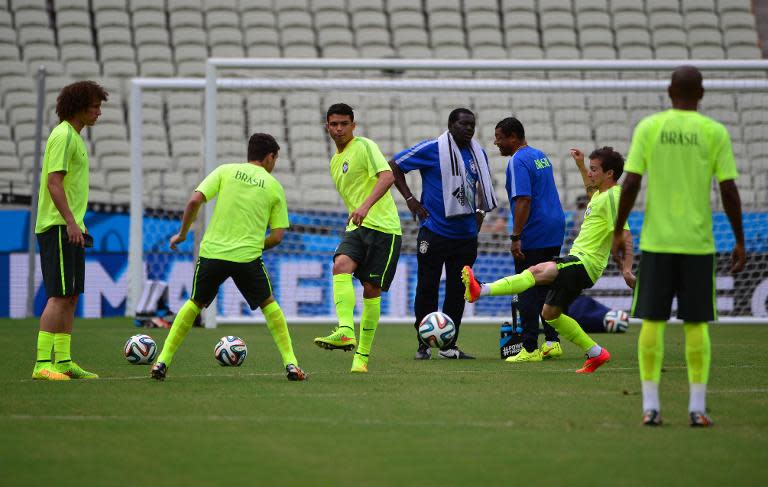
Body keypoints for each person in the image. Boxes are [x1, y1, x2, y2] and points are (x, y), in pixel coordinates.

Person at [611, 66, 746, 427]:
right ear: (702, 93)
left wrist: (616, 230)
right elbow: (729, 190)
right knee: (696, 323)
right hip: (698, 245)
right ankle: (696, 408)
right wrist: (739, 239)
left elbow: (630, 185)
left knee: (652, 322)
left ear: (669, 91)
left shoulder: (650, 127)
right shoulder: (714, 132)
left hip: (657, 243)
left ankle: (651, 406)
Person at [462, 147, 635, 373]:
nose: (590, 174)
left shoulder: (614, 196)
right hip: (581, 262)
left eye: (594, 169)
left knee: (535, 272)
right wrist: (581, 165)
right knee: (550, 315)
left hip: (584, 263)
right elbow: (592, 190)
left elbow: (625, 233)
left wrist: (627, 269)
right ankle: (596, 353)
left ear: (609, 173)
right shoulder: (601, 194)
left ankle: (480, 290)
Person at [151, 133, 305, 382]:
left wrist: (182, 234)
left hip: (212, 253)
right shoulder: (274, 186)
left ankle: (162, 362)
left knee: (194, 303)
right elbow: (277, 237)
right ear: (269, 157)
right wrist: (254, 244)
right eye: (275, 159)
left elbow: (194, 201)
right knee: (269, 304)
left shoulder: (225, 171)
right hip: (247, 258)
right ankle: (291, 364)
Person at [390, 108, 498, 360]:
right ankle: (423, 344)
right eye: (463, 124)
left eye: (472, 124)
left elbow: (482, 185)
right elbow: (393, 166)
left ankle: (449, 345)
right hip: (434, 231)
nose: (469, 129)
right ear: (450, 125)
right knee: (427, 286)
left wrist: (480, 210)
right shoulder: (431, 149)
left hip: (465, 236)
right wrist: (410, 200)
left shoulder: (478, 153)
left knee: (458, 290)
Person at [313, 103, 402, 374]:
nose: (339, 129)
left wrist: (364, 206)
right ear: (327, 127)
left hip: (384, 229)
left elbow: (388, 176)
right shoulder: (334, 162)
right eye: (334, 124)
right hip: (357, 227)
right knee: (340, 265)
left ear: (353, 125)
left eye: (344, 124)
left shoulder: (364, 146)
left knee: (370, 291)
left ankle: (361, 356)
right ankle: (345, 330)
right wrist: (357, 210)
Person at [32, 80, 108, 380]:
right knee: (59, 296)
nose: (99, 113)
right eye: (95, 107)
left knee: (71, 294)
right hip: (59, 226)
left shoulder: (75, 137)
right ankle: (42, 364)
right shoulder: (63, 135)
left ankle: (62, 362)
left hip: (70, 226)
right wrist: (70, 222)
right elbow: (54, 182)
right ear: (78, 108)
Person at [494, 117, 565, 362]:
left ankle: (530, 347)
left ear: (513, 137)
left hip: (535, 230)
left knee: (526, 286)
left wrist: (516, 236)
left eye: (500, 137)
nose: (496, 143)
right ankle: (553, 342)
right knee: (548, 286)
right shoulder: (540, 155)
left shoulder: (518, 160)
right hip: (555, 227)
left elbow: (523, 199)